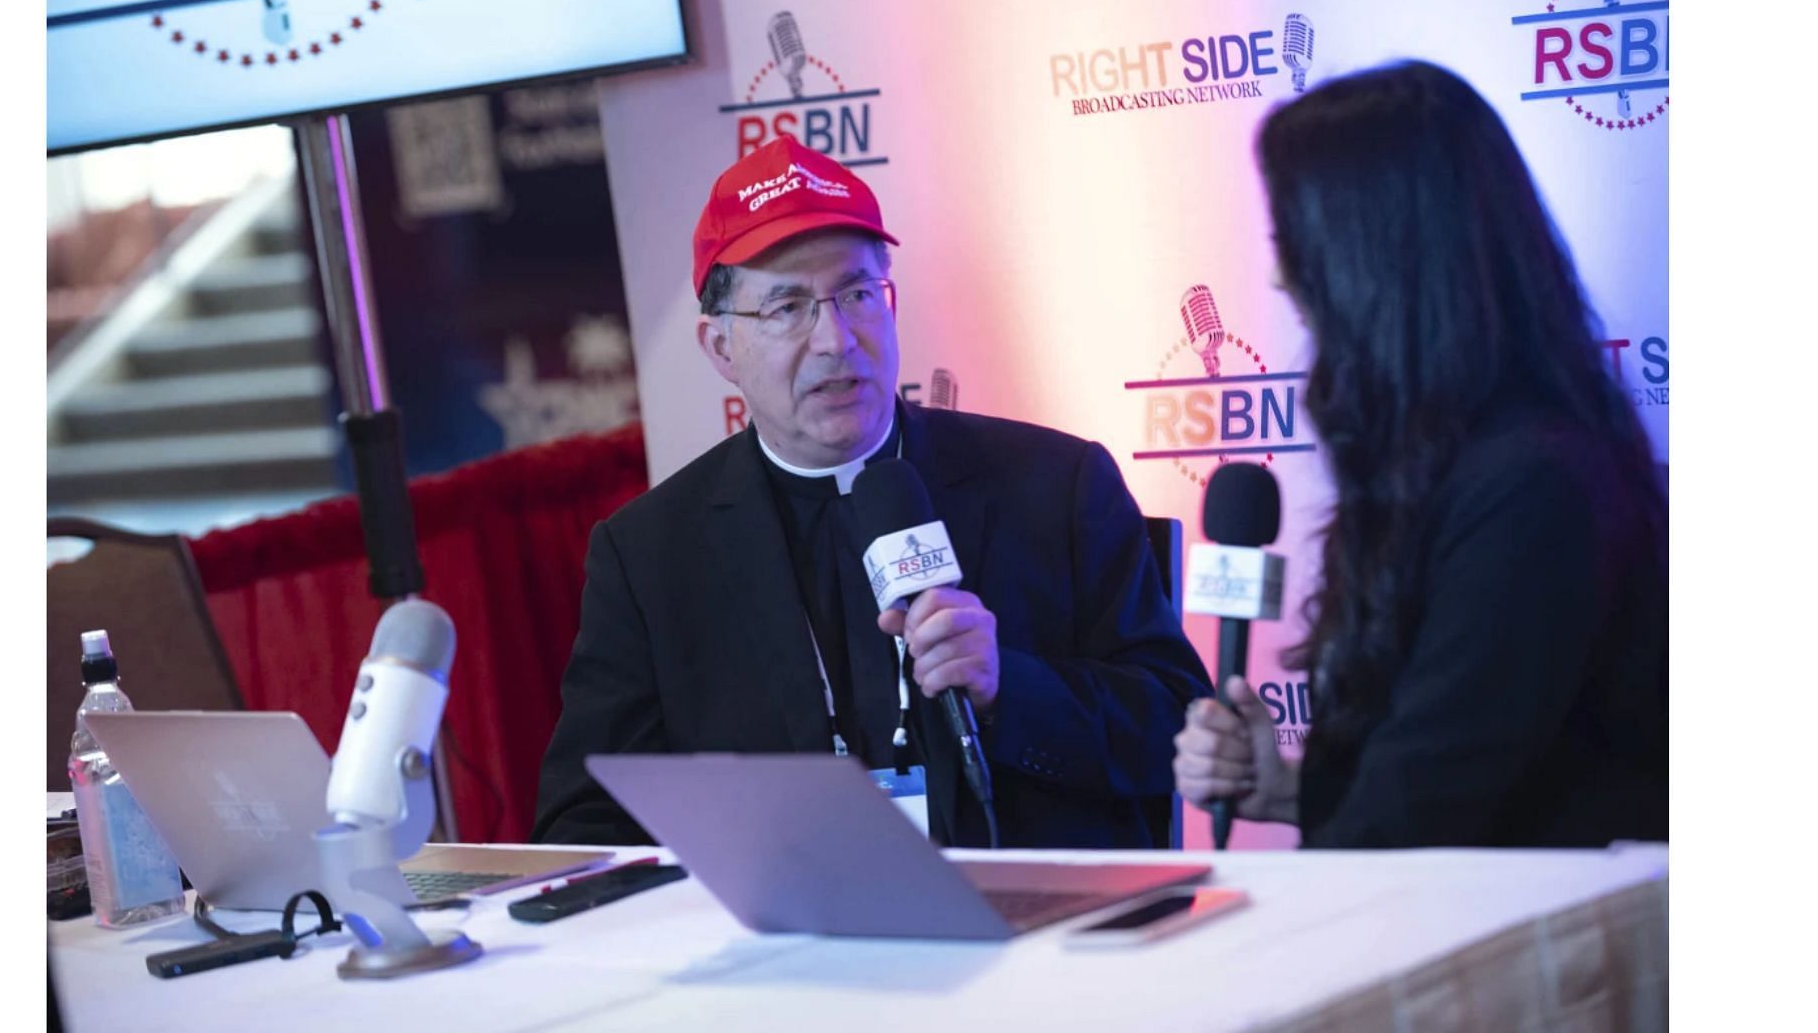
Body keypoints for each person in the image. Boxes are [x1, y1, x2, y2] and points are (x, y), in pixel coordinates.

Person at [533, 135, 1211, 849]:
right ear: (721, 348)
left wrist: (1009, 686)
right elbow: (583, 823)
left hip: (1040, 925)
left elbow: (1179, 726)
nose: (835, 338)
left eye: (856, 294)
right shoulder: (650, 555)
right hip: (794, 940)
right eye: (788, 308)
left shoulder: (1055, 486)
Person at [1174, 62, 1667, 848]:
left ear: (1376, 256)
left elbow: (1424, 809)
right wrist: (1290, 790)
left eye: (1298, 242)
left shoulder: (1531, 486)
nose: (1277, 275)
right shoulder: (1454, 466)